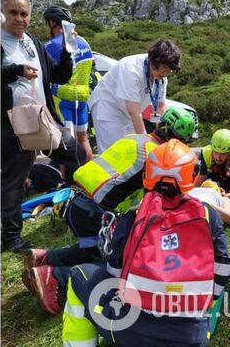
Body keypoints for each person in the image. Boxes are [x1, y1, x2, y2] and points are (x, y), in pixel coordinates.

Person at [22, 107, 196, 314]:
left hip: (77, 202)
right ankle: (54, 275)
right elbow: (159, 196)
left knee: (94, 248)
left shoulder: (135, 138)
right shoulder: (156, 157)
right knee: (115, 263)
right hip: (93, 212)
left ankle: (45, 257)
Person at [61, 139, 230, 346]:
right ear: (192, 176)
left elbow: (113, 275)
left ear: (147, 175)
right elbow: (222, 267)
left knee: (79, 274)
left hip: (130, 331)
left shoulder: (133, 217)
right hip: (192, 338)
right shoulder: (208, 216)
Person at [0, 0, 73, 252]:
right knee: (14, 179)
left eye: (24, 14)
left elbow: (59, 75)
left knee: (71, 149)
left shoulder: (33, 42)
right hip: (12, 124)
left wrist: (67, 51)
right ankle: (11, 238)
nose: (19, 18)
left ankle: (76, 207)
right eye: (13, 13)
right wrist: (15, 70)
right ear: (2, 12)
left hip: (42, 119)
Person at [87, 39, 182, 152]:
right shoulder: (131, 69)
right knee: (114, 152)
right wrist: (146, 144)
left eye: (170, 71)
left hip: (128, 114)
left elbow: (161, 106)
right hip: (108, 110)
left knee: (132, 152)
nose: (166, 74)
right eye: (164, 69)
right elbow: (134, 112)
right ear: (154, 62)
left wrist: (159, 134)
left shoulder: (161, 77)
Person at [43, 5, 95, 161]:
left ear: (52, 22)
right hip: (83, 97)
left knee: (65, 143)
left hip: (62, 98)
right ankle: (88, 175)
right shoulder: (84, 42)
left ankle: (67, 180)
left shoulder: (51, 45)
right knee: (83, 139)